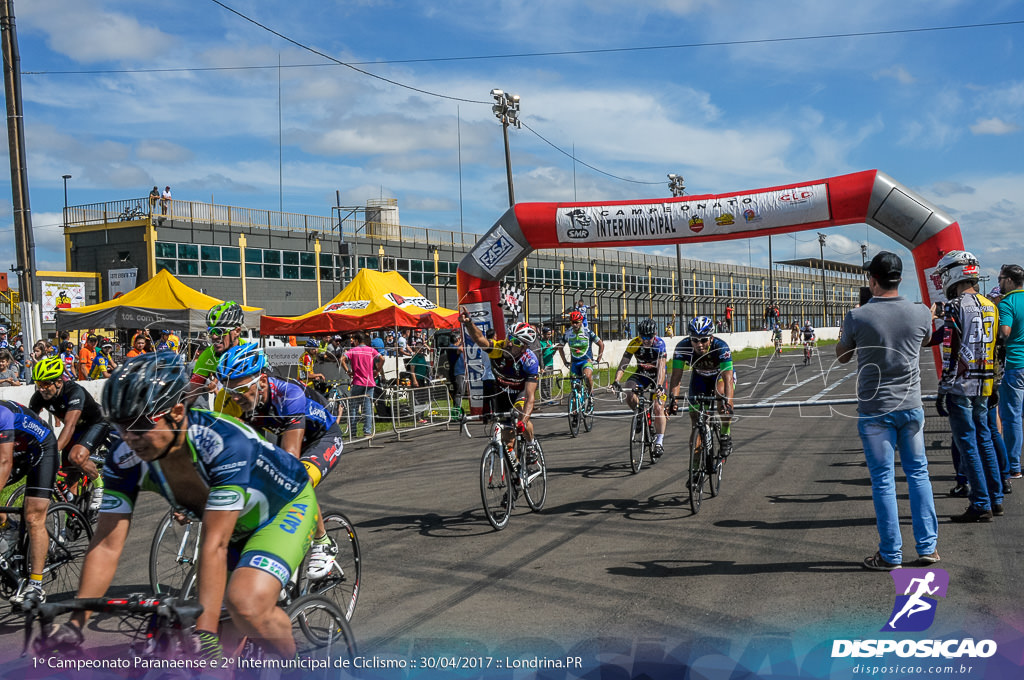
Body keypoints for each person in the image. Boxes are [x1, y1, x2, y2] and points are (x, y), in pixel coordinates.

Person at [41, 352, 317, 660]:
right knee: (216, 659)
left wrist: (206, 634)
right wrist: (76, 625)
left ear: (174, 412)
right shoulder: (124, 456)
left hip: (281, 509)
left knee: (246, 605)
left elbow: (214, 544)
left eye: (139, 425)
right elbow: (106, 544)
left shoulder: (222, 443)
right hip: (233, 521)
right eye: (119, 427)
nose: (129, 438)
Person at [835, 251, 938, 570]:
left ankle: (891, 554)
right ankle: (928, 547)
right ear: (900, 278)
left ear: (873, 280)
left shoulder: (859, 316)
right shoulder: (920, 312)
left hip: (875, 410)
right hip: (911, 406)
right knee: (918, 472)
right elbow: (927, 340)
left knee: (883, 481)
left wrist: (849, 327)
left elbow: (842, 357)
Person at [217, 344, 345, 580]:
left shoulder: (289, 394)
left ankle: (323, 542)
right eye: (228, 390)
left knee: (296, 479)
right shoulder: (236, 400)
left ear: (262, 381)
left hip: (323, 438)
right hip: (288, 435)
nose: (235, 397)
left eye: (242, 389)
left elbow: (289, 462)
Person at [930, 250, 1003, 522]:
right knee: (984, 439)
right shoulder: (991, 305)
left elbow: (948, 349)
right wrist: (995, 382)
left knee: (968, 445)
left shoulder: (954, 306)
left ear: (953, 273)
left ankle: (980, 502)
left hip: (961, 386)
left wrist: (943, 387)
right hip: (985, 384)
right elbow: (997, 349)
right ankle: (996, 498)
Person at [460, 310, 542, 461]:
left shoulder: (529, 361)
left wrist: (522, 423)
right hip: (502, 392)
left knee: (519, 416)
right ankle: (516, 473)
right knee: (508, 441)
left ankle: (530, 444)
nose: (510, 343)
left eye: (516, 342)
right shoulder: (499, 348)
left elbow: (530, 397)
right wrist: (468, 323)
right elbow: (480, 339)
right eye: (510, 338)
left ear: (524, 347)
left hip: (520, 392)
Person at [28, 356, 107, 511]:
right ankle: (71, 520)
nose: (41, 388)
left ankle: (100, 486)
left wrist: (51, 451)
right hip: (77, 429)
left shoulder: (74, 392)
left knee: (75, 457)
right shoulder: (39, 397)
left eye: (45, 383)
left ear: (58, 382)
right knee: (69, 476)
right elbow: (29, 424)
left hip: (96, 423)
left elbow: (69, 426)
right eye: (38, 384)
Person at [0, 400, 59, 604]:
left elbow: (4, 462)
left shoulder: (3, 414)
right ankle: (9, 527)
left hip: (41, 448)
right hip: (16, 450)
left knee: (34, 517)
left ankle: (35, 586)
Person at [669, 316, 736, 457]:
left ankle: (725, 433)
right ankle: (695, 470)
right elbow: (676, 377)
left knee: (721, 397)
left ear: (711, 338)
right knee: (696, 421)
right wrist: (673, 400)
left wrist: (728, 403)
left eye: (704, 340)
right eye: (695, 340)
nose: (699, 344)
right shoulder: (682, 347)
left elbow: (728, 378)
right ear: (690, 339)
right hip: (700, 377)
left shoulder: (721, 347)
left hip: (720, 376)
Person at [612, 318, 668, 460]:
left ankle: (659, 442)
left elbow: (661, 368)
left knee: (658, 407)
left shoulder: (659, 344)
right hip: (641, 374)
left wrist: (659, 386)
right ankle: (640, 414)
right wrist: (616, 381)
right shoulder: (635, 343)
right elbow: (623, 364)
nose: (646, 340)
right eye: (643, 336)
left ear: (655, 333)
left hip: (657, 377)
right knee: (629, 393)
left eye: (649, 336)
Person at [186, 301, 246, 409]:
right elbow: (193, 391)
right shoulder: (207, 355)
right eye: (211, 330)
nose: (214, 336)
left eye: (220, 331)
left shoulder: (250, 352)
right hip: (225, 405)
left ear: (237, 331)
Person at [997, 263, 1024, 480]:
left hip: (1015, 364)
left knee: (1012, 416)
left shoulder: (1007, 303)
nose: (999, 283)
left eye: (1000, 279)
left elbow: (1004, 333)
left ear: (1009, 280)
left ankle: (1013, 466)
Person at [341, 331, 384, 437]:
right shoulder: (371, 350)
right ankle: (367, 431)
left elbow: (342, 359)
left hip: (357, 382)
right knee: (368, 407)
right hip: (369, 382)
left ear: (356, 341)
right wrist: (377, 370)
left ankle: (353, 431)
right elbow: (382, 358)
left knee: (354, 407)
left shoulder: (353, 351)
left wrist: (348, 371)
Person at [557, 311, 605, 398]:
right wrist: (565, 361)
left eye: (577, 322)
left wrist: (598, 360)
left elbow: (601, 344)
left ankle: (590, 394)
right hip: (574, 363)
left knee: (587, 376)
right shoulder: (568, 333)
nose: (574, 324)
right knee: (575, 388)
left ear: (581, 322)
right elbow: (560, 347)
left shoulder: (588, 332)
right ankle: (575, 409)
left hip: (586, 361)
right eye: (572, 322)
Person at [538, 327, 558, 400]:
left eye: (550, 334)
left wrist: (555, 349)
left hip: (550, 363)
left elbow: (551, 353)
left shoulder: (550, 342)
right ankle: (544, 398)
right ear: (543, 334)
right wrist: (545, 348)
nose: (549, 336)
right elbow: (540, 354)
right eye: (548, 334)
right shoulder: (541, 343)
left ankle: (549, 398)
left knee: (550, 383)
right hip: (545, 364)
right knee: (544, 383)